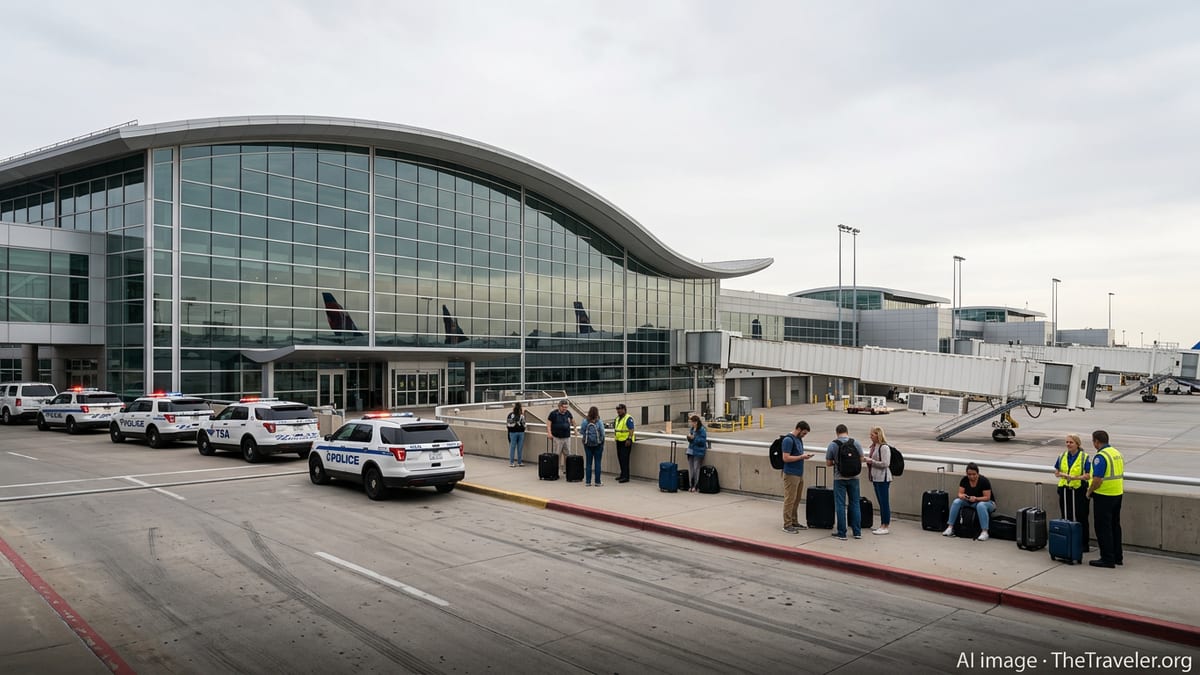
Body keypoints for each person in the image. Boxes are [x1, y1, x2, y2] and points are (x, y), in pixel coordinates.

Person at [1088, 430, 1124, 568]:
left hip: (1104, 495)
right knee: (1115, 526)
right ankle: (1117, 556)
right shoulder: (1116, 453)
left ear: (1096, 441)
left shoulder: (1101, 457)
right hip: (1117, 493)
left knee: (1103, 528)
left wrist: (1089, 491)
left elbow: (1097, 479)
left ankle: (1107, 558)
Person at [825, 423, 865, 540]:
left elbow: (828, 463)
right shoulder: (856, 443)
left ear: (837, 432)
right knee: (855, 503)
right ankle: (857, 532)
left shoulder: (833, 445)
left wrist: (837, 463)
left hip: (839, 478)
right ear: (847, 431)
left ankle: (842, 533)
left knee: (840, 505)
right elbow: (862, 459)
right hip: (854, 478)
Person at [1054, 433, 1092, 552]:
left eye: (1071, 442)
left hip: (1079, 490)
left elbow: (1088, 475)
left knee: (1081, 518)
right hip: (1065, 490)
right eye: (1067, 442)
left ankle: (1083, 544)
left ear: (1077, 444)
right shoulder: (1062, 456)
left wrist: (1074, 478)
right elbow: (1057, 472)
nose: (1068, 444)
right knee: (1066, 516)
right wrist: (1064, 475)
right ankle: (1068, 541)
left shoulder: (1084, 457)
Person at [942, 462, 996, 541]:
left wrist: (976, 498)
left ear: (978, 473)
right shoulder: (964, 480)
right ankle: (950, 527)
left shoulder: (984, 481)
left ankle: (985, 531)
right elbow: (960, 493)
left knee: (980, 505)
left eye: (974, 474)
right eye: (969, 474)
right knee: (957, 502)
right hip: (970, 501)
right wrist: (963, 496)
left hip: (987, 503)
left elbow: (987, 497)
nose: (972, 476)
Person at [781, 421, 814, 533]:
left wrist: (803, 456)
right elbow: (785, 458)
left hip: (799, 473)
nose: (804, 436)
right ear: (799, 429)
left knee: (796, 499)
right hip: (791, 473)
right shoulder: (788, 440)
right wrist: (801, 457)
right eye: (803, 433)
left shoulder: (798, 440)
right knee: (790, 499)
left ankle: (794, 521)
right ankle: (787, 524)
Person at [864, 426, 893, 535]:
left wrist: (871, 461)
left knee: (884, 502)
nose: (870, 437)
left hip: (883, 478)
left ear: (878, 435)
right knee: (881, 502)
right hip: (876, 477)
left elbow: (885, 464)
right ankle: (883, 524)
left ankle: (885, 525)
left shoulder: (884, 447)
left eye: (872, 435)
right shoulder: (874, 447)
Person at [579, 406, 605, 486]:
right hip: (598, 444)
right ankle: (597, 482)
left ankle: (588, 482)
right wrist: (601, 441)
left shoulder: (585, 421)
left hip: (588, 445)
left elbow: (582, 432)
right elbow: (603, 433)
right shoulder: (599, 422)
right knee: (597, 463)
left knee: (588, 463)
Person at [545, 399, 574, 470]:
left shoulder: (568, 413)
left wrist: (575, 428)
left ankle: (566, 469)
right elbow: (548, 424)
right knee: (557, 454)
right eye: (563, 407)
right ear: (559, 406)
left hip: (567, 437)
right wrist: (549, 433)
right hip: (557, 437)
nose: (565, 409)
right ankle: (555, 469)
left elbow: (572, 420)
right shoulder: (553, 414)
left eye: (566, 407)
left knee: (567, 454)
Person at [613, 403, 635, 483]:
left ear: (624, 409)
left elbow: (631, 429)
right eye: (617, 409)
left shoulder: (628, 418)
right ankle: (622, 474)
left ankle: (626, 477)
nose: (618, 411)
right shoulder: (617, 418)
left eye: (619, 409)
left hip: (626, 441)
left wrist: (629, 439)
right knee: (620, 458)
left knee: (625, 459)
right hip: (619, 441)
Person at [685, 415, 707, 492]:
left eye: (693, 422)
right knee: (691, 469)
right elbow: (691, 440)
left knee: (696, 468)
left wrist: (694, 438)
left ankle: (696, 485)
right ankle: (691, 485)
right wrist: (689, 438)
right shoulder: (692, 429)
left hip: (698, 451)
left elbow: (702, 441)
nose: (692, 424)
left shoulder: (702, 430)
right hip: (690, 450)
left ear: (696, 422)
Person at [506, 402, 526, 467]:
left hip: (520, 432)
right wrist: (516, 422)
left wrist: (520, 424)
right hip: (513, 433)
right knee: (513, 447)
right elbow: (509, 425)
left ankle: (519, 462)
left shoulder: (522, 416)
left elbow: (524, 424)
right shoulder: (511, 415)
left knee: (519, 448)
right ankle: (512, 462)